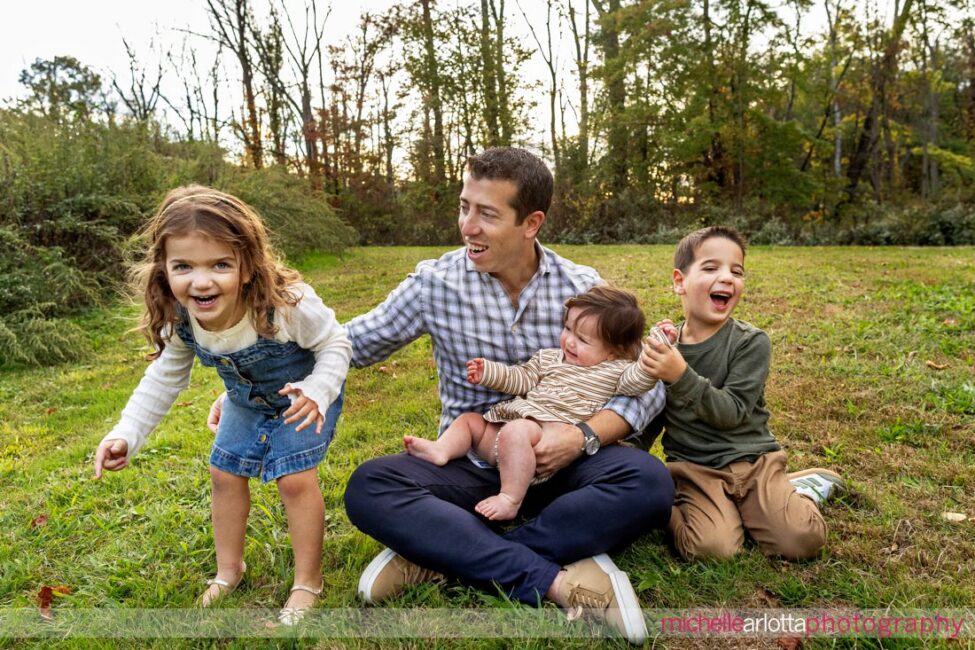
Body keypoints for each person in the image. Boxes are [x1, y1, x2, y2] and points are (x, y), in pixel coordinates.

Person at [340, 147, 674, 645]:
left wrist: (579, 437)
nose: (467, 226)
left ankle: (444, 552)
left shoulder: (582, 289)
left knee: (649, 482)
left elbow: (644, 389)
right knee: (371, 487)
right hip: (477, 464)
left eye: (487, 214)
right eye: (463, 207)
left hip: (568, 469)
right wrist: (253, 384)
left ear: (531, 222)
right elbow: (350, 344)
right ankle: (557, 580)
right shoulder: (435, 284)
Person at [92, 186, 351, 625]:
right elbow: (163, 378)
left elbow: (336, 343)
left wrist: (318, 389)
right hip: (243, 401)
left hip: (302, 397)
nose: (201, 281)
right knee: (223, 472)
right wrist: (126, 434)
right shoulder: (181, 317)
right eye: (183, 267)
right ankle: (230, 570)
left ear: (247, 266)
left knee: (293, 479)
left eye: (220, 265)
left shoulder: (287, 304)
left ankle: (308, 580)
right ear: (164, 270)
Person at [639, 226, 843, 561]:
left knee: (801, 540)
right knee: (710, 549)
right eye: (710, 268)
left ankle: (799, 491)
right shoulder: (666, 349)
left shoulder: (750, 343)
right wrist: (630, 462)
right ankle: (664, 503)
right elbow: (650, 415)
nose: (727, 278)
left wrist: (680, 374)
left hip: (755, 463)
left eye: (737, 271)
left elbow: (732, 411)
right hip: (696, 470)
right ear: (680, 282)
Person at [404, 285, 663, 522]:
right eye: (568, 329)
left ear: (614, 351)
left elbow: (640, 380)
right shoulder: (550, 358)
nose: (569, 341)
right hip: (506, 433)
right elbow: (521, 378)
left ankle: (510, 498)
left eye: (583, 340)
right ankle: (442, 450)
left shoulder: (616, 370)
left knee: (517, 431)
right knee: (469, 421)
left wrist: (658, 348)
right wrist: (489, 372)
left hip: (545, 441)